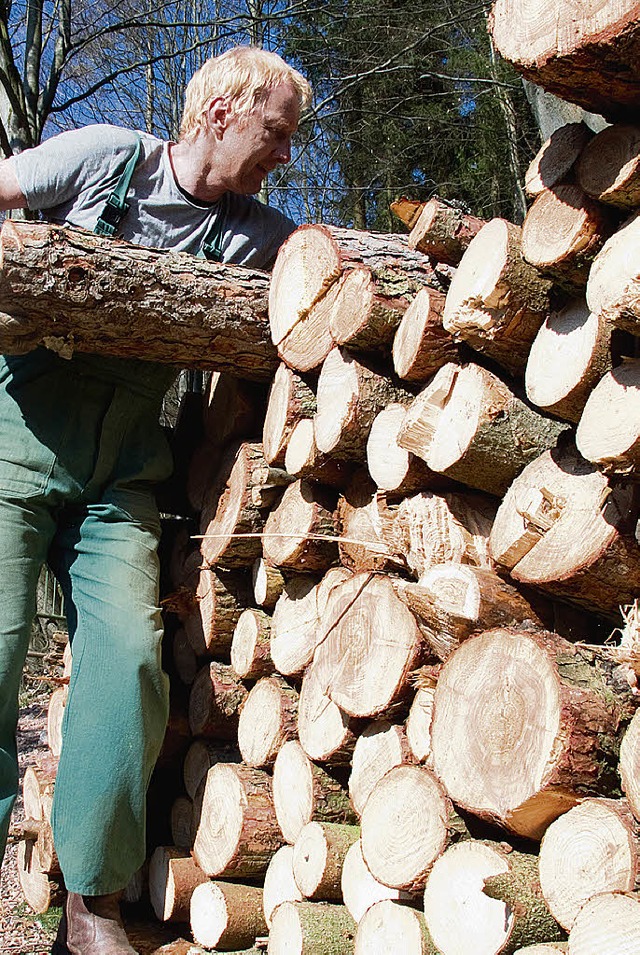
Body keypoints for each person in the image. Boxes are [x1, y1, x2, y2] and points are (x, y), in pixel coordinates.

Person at [0, 46, 311, 955]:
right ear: (221, 112)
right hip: (17, 437)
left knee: (133, 656)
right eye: (277, 133)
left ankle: (93, 900)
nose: (285, 154)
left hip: (127, 470)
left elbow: (330, 272)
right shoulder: (104, 155)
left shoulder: (256, 232)